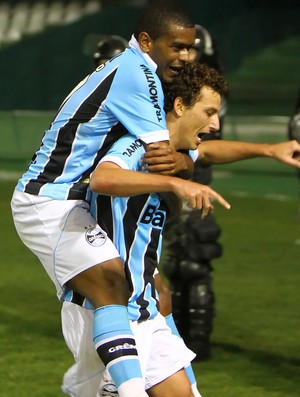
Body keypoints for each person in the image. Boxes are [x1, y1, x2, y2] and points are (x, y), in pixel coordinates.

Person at [10, 2, 222, 396]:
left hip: (67, 200)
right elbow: (161, 157)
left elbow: (175, 157)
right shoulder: (139, 77)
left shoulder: (131, 69)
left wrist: (265, 150)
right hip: (50, 200)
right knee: (111, 282)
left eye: (189, 47)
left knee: (143, 288)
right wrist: (180, 180)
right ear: (146, 41)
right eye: (176, 46)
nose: (185, 56)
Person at [61, 62, 300, 397]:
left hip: (143, 307)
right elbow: (103, 179)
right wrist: (174, 185)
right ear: (179, 106)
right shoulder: (136, 144)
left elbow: (208, 152)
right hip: (105, 308)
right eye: (209, 112)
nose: (215, 124)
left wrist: (269, 150)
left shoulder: (174, 150)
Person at [163, 23, 226, 360]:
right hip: (175, 178)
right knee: (173, 264)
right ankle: (180, 338)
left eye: (191, 50)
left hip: (195, 179)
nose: (185, 56)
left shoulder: (206, 93)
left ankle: (197, 342)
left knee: (195, 261)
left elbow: (210, 148)